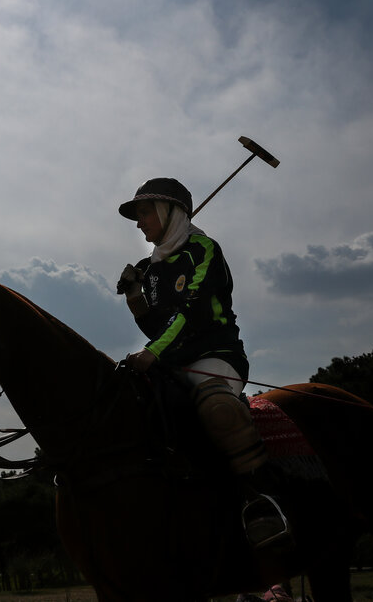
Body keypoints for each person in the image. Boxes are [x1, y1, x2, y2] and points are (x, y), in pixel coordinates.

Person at [116, 177, 290, 550]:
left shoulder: (204, 249)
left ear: (169, 212)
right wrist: (135, 295)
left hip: (217, 356)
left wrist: (152, 352)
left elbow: (192, 313)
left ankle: (262, 501)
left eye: (144, 212)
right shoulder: (151, 267)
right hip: (171, 360)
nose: (139, 222)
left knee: (217, 408)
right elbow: (155, 325)